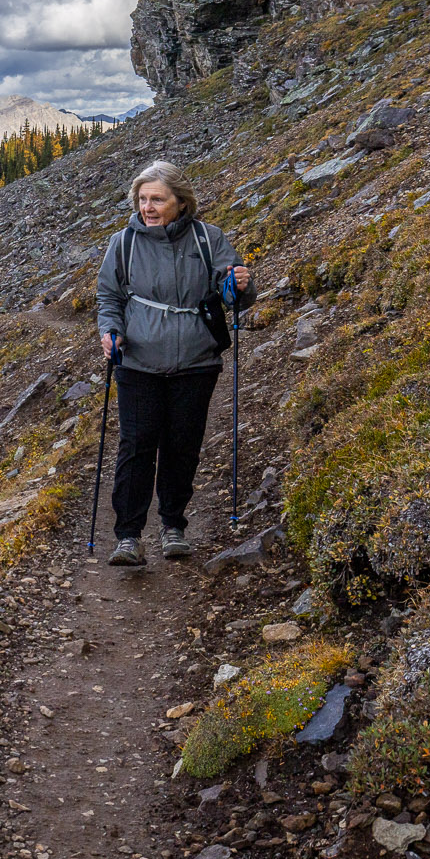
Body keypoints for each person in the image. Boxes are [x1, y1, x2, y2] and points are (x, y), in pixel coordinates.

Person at [94, 160, 254, 567]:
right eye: (143, 199)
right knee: (136, 446)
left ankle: (172, 527)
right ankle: (128, 536)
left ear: (181, 203)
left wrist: (239, 286)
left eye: (157, 200)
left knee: (182, 446)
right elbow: (109, 296)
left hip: (196, 362)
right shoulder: (123, 243)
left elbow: (234, 298)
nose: (148, 207)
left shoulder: (209, 238)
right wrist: (109, 331)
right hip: (137, 361)